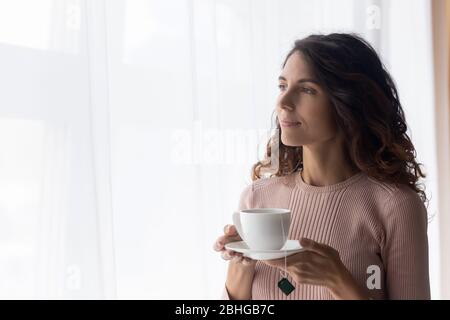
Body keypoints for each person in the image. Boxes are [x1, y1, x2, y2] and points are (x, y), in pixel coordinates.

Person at [213, 33, 430, 300]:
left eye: (306, 89)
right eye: (282, 86)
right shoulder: (257, 199)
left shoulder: (395, 206)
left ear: (347, 103)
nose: (283, 102)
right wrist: (240, 264)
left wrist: (339, 282)